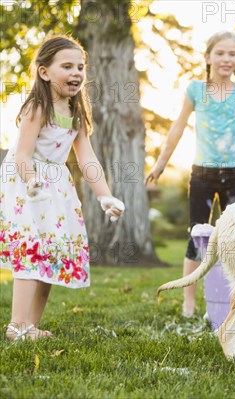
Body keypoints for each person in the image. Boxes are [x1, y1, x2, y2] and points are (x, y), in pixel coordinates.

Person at [145, 31, 235, 317]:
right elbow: (177, 129)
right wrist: (160, 165)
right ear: (207, 57)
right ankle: (189, 303)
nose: (226, 59)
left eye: (232, 54)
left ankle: (232, 299)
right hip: (202, 176)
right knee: (196, 235)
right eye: (220, 53)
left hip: (234, 175)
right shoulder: (195, 90)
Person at [0, 35, 125, 341]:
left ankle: (30, 325)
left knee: (52, 253)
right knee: (31, 252)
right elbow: (22, 155)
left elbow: (87, 160)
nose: (76, 73)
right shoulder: (37, 106)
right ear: (45, 72)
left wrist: (105, 196)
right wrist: (31, 182)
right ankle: (16, 326)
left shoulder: (76, 113)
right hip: (27, 188)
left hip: (57, 190)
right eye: (67, 66)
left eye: (80, 67)